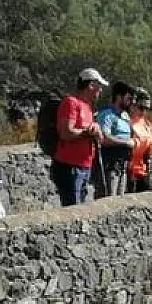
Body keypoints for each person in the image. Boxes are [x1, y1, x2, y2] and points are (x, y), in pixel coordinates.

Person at [51, 68, 106, 206]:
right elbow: (65, 132)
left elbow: (97, 136)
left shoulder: (87, 107)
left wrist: (96, 132)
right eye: (99, 87)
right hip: (70, 167)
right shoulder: (71, 102)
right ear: (91, 86)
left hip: (83, 166)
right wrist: (87, 133)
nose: (100, 91)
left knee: (80, 205)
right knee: (73, 207)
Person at [95, 82, 137, 199]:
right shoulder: (106, 115)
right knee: (110, 198)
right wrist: (126, 142)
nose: (131, 102)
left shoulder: (125, 116)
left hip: (123, 164)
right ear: (119, 97)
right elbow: (104, 138)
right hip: (110, 165)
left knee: (121, 199)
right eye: (129, 98)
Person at [127, 87, 152, 194]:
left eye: (146, 109)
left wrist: (151, 151)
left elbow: (151, 145)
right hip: (129, 173)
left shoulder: (147, 124)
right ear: (133, 105)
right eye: (141, 107)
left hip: (143, 171)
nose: (144, 112)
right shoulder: (127, 123)